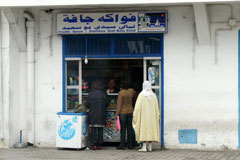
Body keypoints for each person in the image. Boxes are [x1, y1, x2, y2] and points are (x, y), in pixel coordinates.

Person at [132, 81, 160, 152]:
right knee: (151, 129)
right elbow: (156, 107)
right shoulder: (153, 95)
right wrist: (157, 115)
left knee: (143, 129)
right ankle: (150, 147)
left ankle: (144, 147)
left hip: (143, 117)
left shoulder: (141, 95)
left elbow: (138, 107)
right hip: (151, 118)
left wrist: (135, 114)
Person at [86, 80, 108, 150]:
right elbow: (107, 103)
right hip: (101, 114)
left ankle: (94, 144)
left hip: (93, 114)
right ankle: (100, 145)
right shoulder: (104, 94)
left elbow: (87, 104)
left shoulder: (90, 94)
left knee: (93, 130)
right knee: (100, 129)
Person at [116, 80, 135, 150]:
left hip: (123, 113)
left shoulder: (121, 93)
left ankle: (122, 145)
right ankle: (130, 145)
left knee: (123, 129)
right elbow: (133, 91)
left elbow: (119, 104)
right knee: (129, 128)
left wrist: (117, 114)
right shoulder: (131, 92)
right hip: (130, 111)